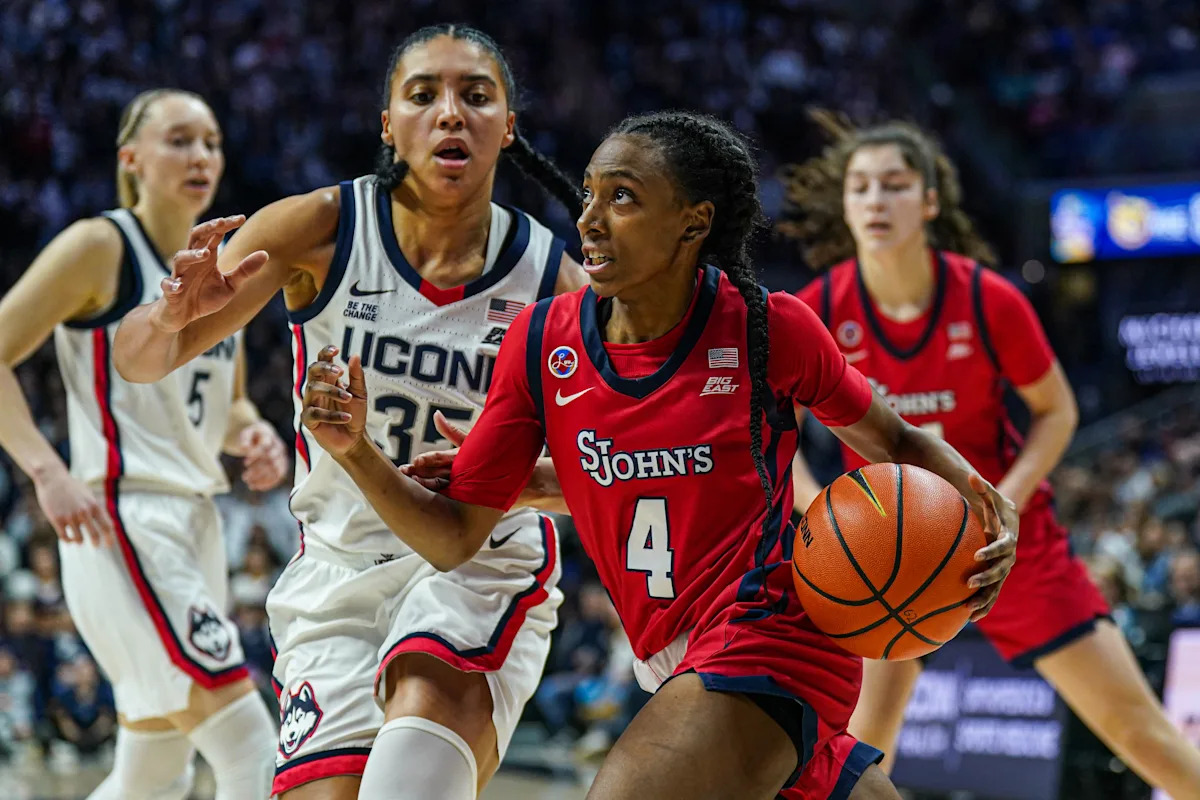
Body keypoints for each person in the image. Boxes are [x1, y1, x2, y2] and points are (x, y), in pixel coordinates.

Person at [297, 110, 1018, 800]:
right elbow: (453, 538)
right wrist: (355, 450)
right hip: (675, 657)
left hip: (771, 639)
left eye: (623, 198)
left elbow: (896, 440)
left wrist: (987, 505)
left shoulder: (767, 328)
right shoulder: (542, 341)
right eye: (589, 193)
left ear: (693, 223)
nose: (589, 218)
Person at [111, 25, 585, 800]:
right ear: (388, 124)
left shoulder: (551, 282)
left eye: (476, 96)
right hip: (338, 571)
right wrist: (167, 316)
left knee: (410, 767)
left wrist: (519, 480)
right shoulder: (319, 229)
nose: (450, 112)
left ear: (508, 126)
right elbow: (136, 361)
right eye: (423, 95)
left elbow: (615, 472)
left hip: (474, 567)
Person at [782, 111, 1200, 799]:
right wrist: (819, 509)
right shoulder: (817, 310)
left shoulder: (986, 299)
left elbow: (1057, 410)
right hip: (886, 549)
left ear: (929, 201)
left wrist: (1008, 498)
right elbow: (774, 431)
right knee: (857, 755)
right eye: (861, 187)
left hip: (1012, 548)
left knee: (1140, 734)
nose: (876, 200)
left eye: (895, 184)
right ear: (845, 203)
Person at [0, 88, 284, 799]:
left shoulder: (222, 264)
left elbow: (228, 401)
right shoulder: (100, 246)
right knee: (252, 751)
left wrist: (253, 432)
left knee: (154, 773)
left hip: (197, 521)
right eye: (179, 140)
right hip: (123, 519)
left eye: (212, 142)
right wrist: (46, 470)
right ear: (130, 159)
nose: (201, 156)